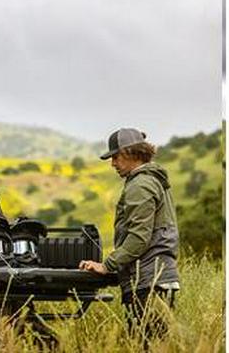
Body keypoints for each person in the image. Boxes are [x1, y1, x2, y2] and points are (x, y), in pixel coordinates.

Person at [79, 128, 180, 342]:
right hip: (158, 280)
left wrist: (107, 265)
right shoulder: (153, 180)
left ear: (130, 152)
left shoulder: (140, 184)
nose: (113, 163)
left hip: (147, 283)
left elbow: (139, 237)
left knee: (145, 344)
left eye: (115, 156)